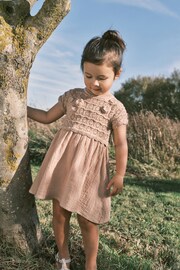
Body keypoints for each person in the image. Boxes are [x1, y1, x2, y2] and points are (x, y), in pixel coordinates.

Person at [27, 29, 128, 270]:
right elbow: (46, 116)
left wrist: (120, 173)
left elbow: (121, 143)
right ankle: (64, 257)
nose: (94, 83)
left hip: (91, 172)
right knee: (60, 214)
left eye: (101, 78)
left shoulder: (116, 108)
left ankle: (90, 264)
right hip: (64, 166)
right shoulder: (72, 97)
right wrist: (22, 107)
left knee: (87, 220)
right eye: (88, 75)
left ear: (117, 74)